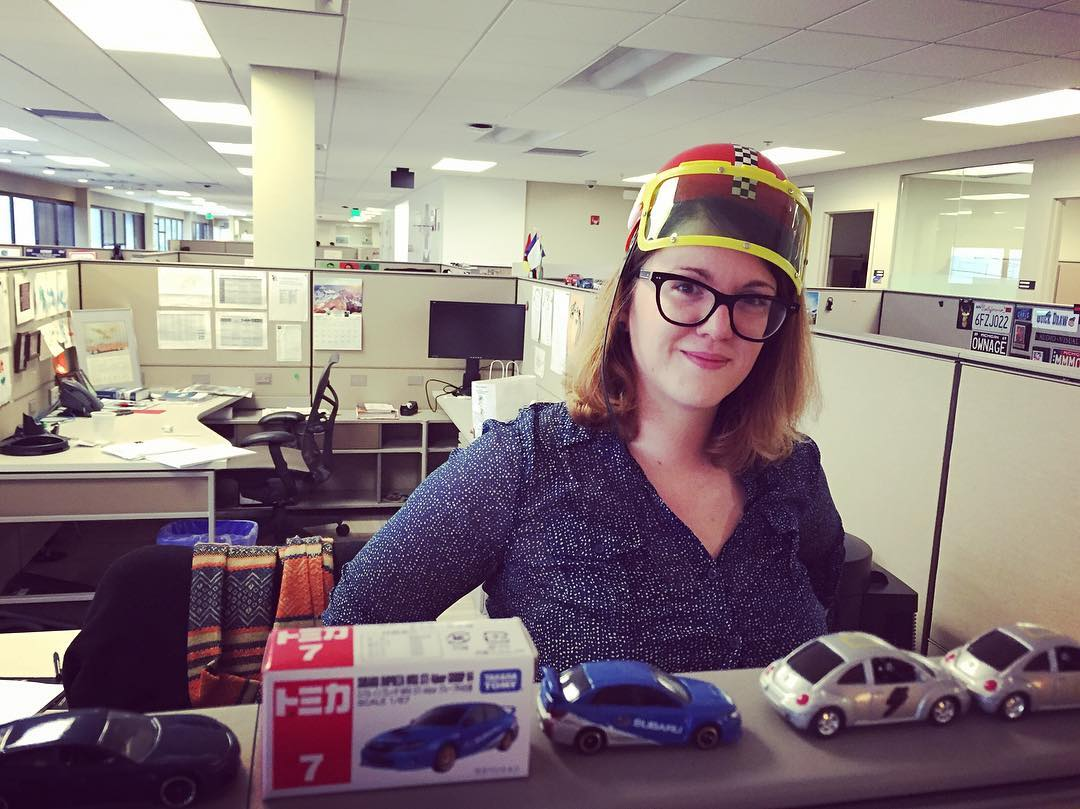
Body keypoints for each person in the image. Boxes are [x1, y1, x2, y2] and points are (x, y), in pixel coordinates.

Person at [324, 144, 845, 674]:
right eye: (687, 286)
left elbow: (830, 605)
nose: (717, 327)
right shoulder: (525, 463)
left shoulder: (792, 469)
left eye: (754, 298)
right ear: (625, 303)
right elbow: (356, 625)